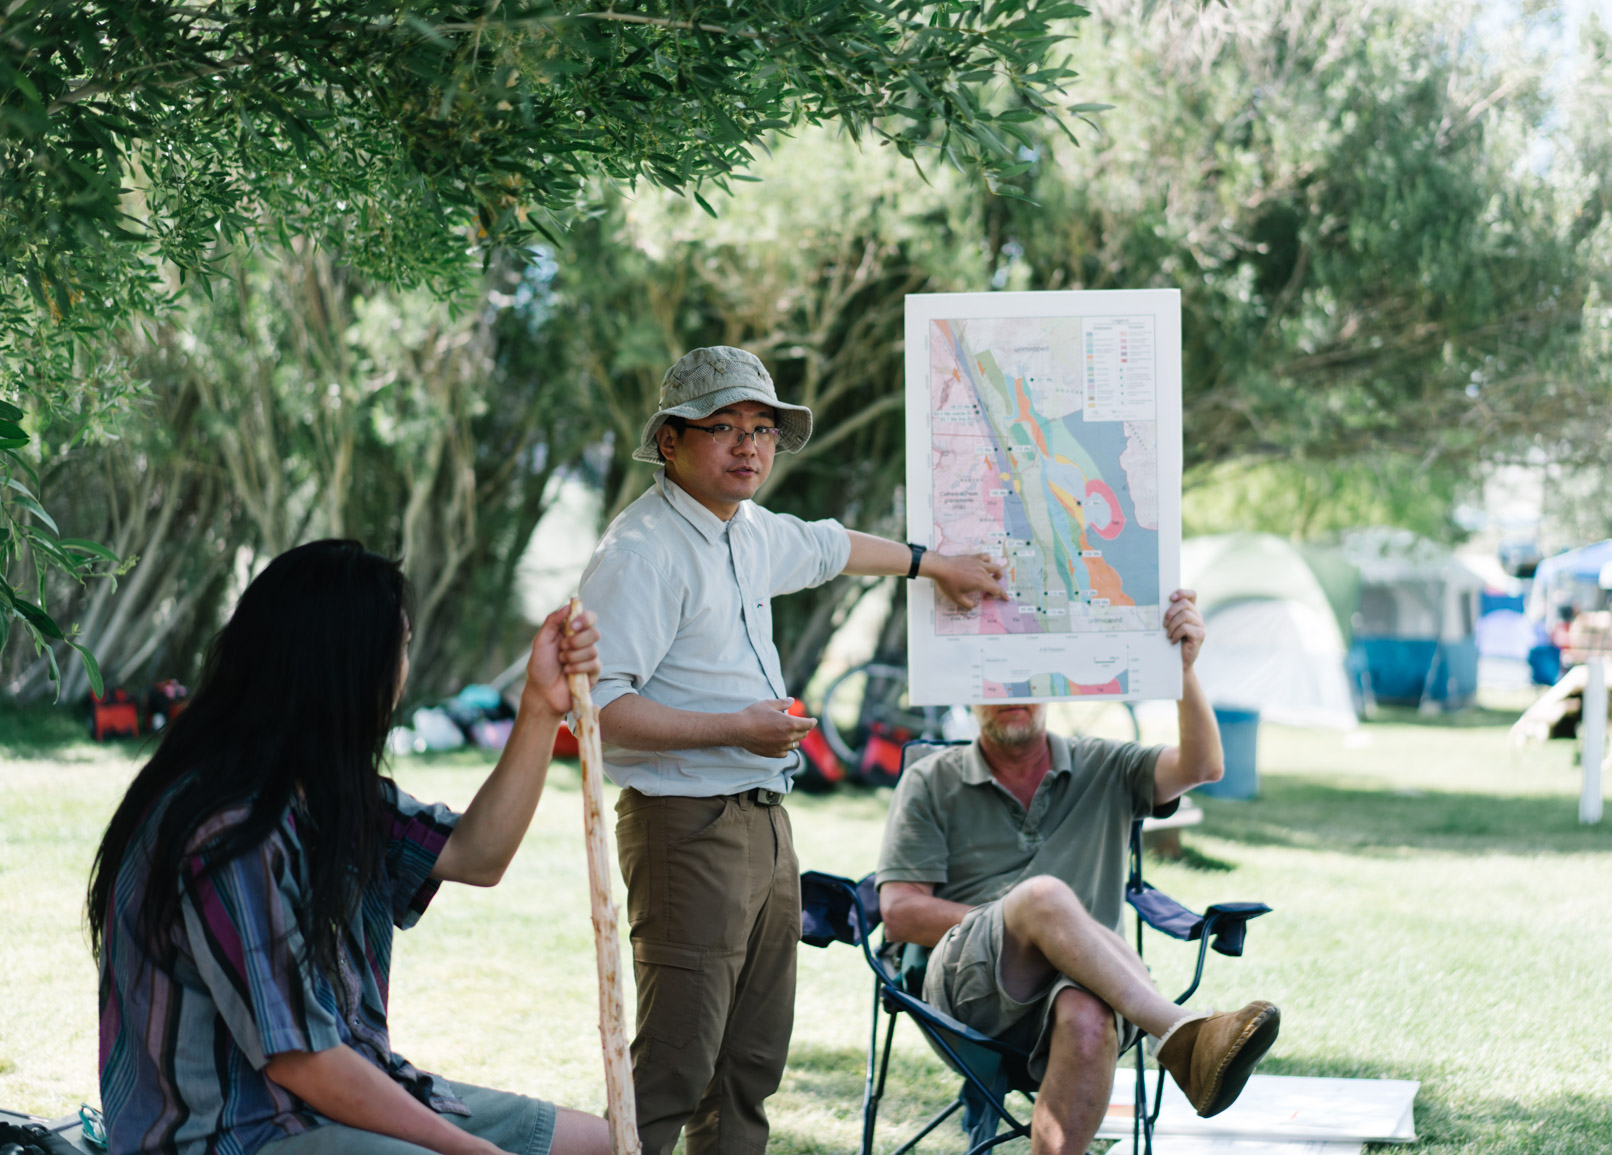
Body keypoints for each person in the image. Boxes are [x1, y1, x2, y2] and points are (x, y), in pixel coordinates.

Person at [578, 346, 1006, 1155]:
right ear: (669, 441)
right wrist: (735, 728)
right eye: (723, 427)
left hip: (764, 822)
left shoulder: (747, 530)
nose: (749, 446)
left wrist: (933, 564)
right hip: (684, 826)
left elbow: (833, 544)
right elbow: (595, 710)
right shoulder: (640, 551)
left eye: (763, 429)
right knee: (674, 1063)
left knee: (749, 1064)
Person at [88, 540, 610, 1155]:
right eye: (402, 646)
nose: (404, 668)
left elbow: (477, 854)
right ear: (348, 666)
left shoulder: (329, 790)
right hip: (230, 1136)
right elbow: (302, 1061)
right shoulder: (226, 830)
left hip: (326, 1108)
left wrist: (540, 707)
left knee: (601, 1145)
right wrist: (471, 1150)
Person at [876, 589, 1281, 1155]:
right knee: (1040, 898)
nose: (1010, 693)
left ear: (1050, 682)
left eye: (1024, 676)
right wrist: (1026, 927)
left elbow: (1204, 766)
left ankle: (1175, 1041)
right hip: (965, 993)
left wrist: (1182, 669)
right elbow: (899, 912)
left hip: (1089, 983)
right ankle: (1182, 1033)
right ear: (967, 690)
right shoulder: (932, 779)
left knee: (1090, 1016)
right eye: (993, 678)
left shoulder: (1105, 765)